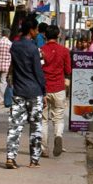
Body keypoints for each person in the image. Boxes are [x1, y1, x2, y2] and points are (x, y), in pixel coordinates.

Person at [5, 14, 46, 169]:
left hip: (18, 91)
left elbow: (13, 68)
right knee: (35, 127)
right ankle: (34, 160)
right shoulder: (33, 48)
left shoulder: (14, 46)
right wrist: (44, 91)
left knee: (14, 126)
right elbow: (38, 72)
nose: (36, 32)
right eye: (35, 29)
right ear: (31, 30)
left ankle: (10, 158)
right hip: (34, 92)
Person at [40, 24, 72, 158]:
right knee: (58, 117)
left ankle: (44, 149)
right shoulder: (64, 51)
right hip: (59, 88)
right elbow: (68, 71)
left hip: (44, 89)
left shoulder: (41, 50)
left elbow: (38, 69)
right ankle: (58, 136)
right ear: (58, 35)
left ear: (44, 35)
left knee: (43, 119)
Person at [0, 32, 12, 104]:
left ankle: (2, 98)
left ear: (2, 34)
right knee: (3, 82)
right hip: (6, 66)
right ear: (8, 35)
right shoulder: (10, 43)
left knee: (1, 81)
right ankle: (1, 99)